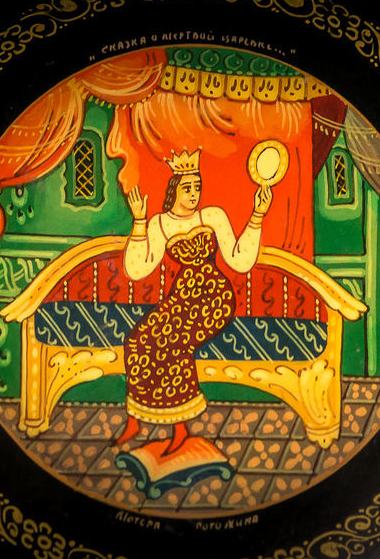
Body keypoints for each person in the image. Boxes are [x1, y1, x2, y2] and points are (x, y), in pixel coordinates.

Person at [116, 149, 272, 456]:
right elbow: (136, 270)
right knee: (137, 340)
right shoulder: (160, 224)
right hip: (182, 299)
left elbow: (240, 261)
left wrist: (258, 215)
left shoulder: (211, 216)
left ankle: (180, 429)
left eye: (197, 187)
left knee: (173, 342)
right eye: (187, 188)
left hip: (214, 297)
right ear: (174, 189)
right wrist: (139, 221)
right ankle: (135, 420)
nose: (194, 194)